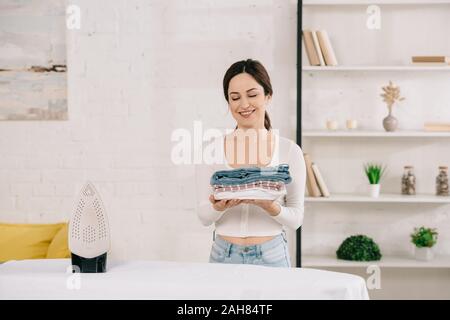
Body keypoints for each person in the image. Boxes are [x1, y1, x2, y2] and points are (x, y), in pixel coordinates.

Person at [195, 59, 306, 267]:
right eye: (235, 97)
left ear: (268, 96)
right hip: (222, 255)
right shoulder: (212, 150)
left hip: (272, 255)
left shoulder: (289, 151)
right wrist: (219, 208)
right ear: (228, 102)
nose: (244, 104)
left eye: (252, 95)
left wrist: (271, 207)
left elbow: (296, 218)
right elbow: (203, 216)